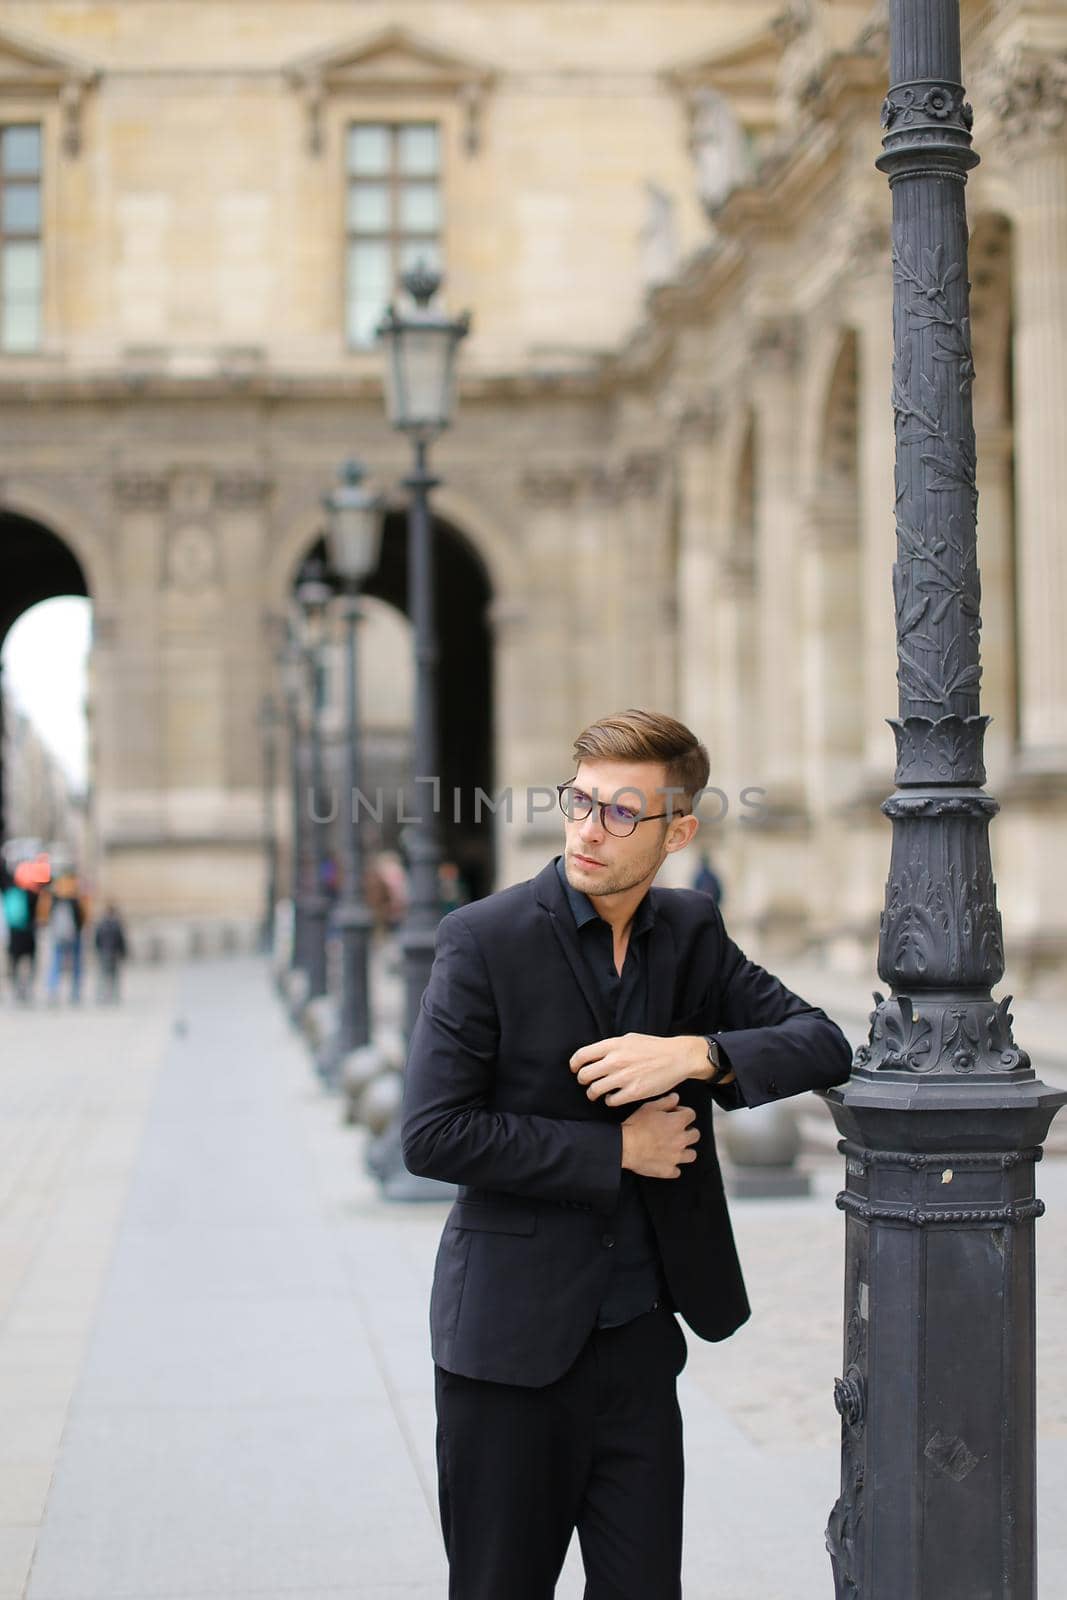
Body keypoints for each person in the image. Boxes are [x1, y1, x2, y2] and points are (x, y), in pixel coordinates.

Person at [402, 709, 851, 1600]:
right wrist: (617, 1151)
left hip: (641, 1346)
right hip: (508, 1352)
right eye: (580, 803)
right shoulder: (483, 939)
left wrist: (702, 1054)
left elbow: (823, 1040)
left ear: (677, 830)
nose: (587, 830)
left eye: (620, 814)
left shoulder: (689, 931)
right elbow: (430, 1132)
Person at [46, 873, 85, 1004]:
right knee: (76, 964)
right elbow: (83, 916)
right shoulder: (76, 896)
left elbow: (46, 915)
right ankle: (75, 992)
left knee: (56, 962)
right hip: (75, 935)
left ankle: (53, 990)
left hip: (58, 935)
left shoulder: (54, 898)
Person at [3, 877, 38, 1004]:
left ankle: (16, 989)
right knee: (29, 962)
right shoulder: (32, 894)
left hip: (14, 933)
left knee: (15, 963)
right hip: (28, 933)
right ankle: (26, 989)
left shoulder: (9, 893)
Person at [94, 903, 129, 1003]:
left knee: (104, 976)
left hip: (104, 953)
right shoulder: (117, 924)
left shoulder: (101, 924)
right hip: (113, 954)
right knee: (113, 977)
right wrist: (123, 953)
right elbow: (121, 940)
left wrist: (98, 951)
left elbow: (97, 940)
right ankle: (113, 996)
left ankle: (103, 996)